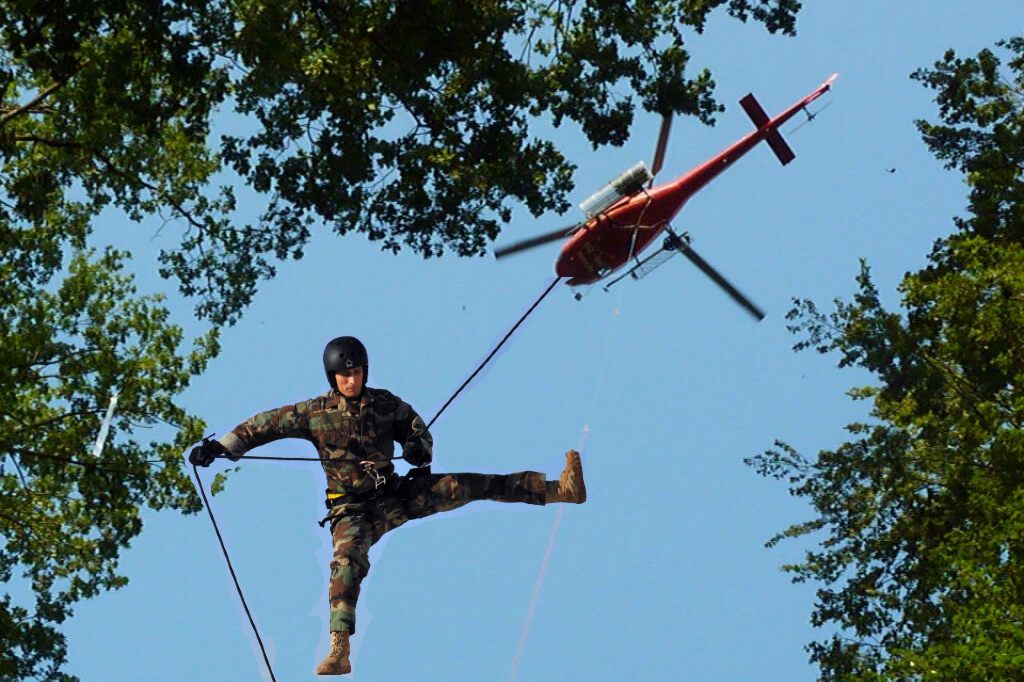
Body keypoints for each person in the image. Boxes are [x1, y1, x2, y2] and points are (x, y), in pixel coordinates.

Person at [188, 336, 586, 675]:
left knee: (466, 486)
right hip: (351, 511)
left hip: (394, 495)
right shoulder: (313, 414)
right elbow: (263, 426)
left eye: (358, 372)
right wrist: (219, 448)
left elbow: (419, 436)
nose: (352, 379)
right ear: (333, 378)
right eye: (345, 375)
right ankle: (339, 647)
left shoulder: (386, 404)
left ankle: (558, 490)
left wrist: (417, 450)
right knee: (347, 559)